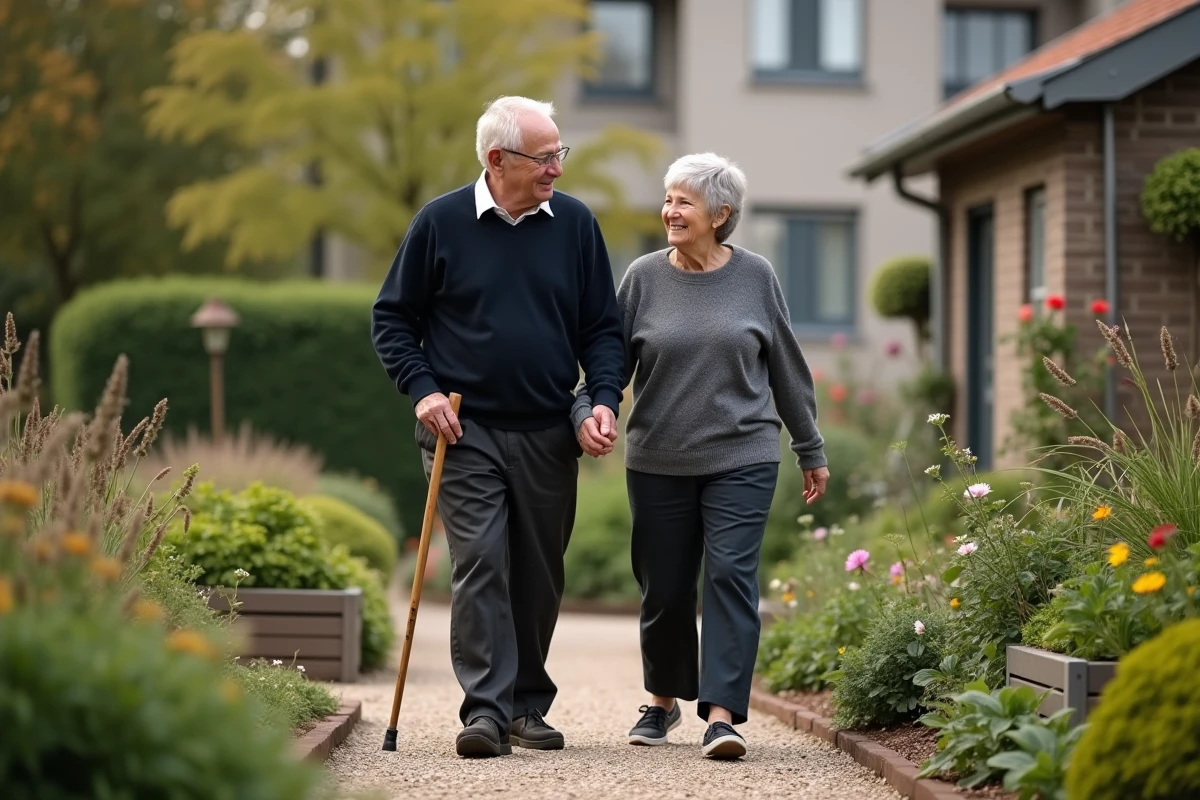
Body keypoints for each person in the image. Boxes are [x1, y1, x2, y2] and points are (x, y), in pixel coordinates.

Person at [371, 96, 625, 758]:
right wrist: (422, 392)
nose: (556, 170)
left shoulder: (573, 225)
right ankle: (484, 710)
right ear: (496, 159)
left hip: (548, 428)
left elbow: (602, 328)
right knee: (481, 561)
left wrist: (602, 400)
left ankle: (525, 706)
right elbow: (393, 319)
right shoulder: (440, 223)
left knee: (538, 573)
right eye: (545, 158)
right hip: (465, 430)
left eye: (557, 155)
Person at [572, 152, 830, 760]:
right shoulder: (642, 277)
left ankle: (720, 716)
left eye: (683, 201)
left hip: (743, 453)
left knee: (730, 578)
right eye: (668, 199)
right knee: (663, 587)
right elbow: (611, 365)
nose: (669, 211)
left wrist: (809, 444)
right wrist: (590, 410)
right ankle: (662, 701)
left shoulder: (756, 277)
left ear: (721, 214)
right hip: (657, 456)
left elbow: (786, 367)